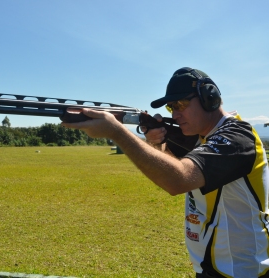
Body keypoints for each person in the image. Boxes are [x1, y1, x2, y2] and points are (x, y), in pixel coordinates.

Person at [61, 67, 269, 278]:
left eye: (181, 104)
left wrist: (117, 132)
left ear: (209, 97)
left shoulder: (237, 136)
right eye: (171, 107)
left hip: (242, 270)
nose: (176, 114)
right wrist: (156, 142)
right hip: (212, 267)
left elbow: (178, 179)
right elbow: (169, 164)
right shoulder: (202, 138)